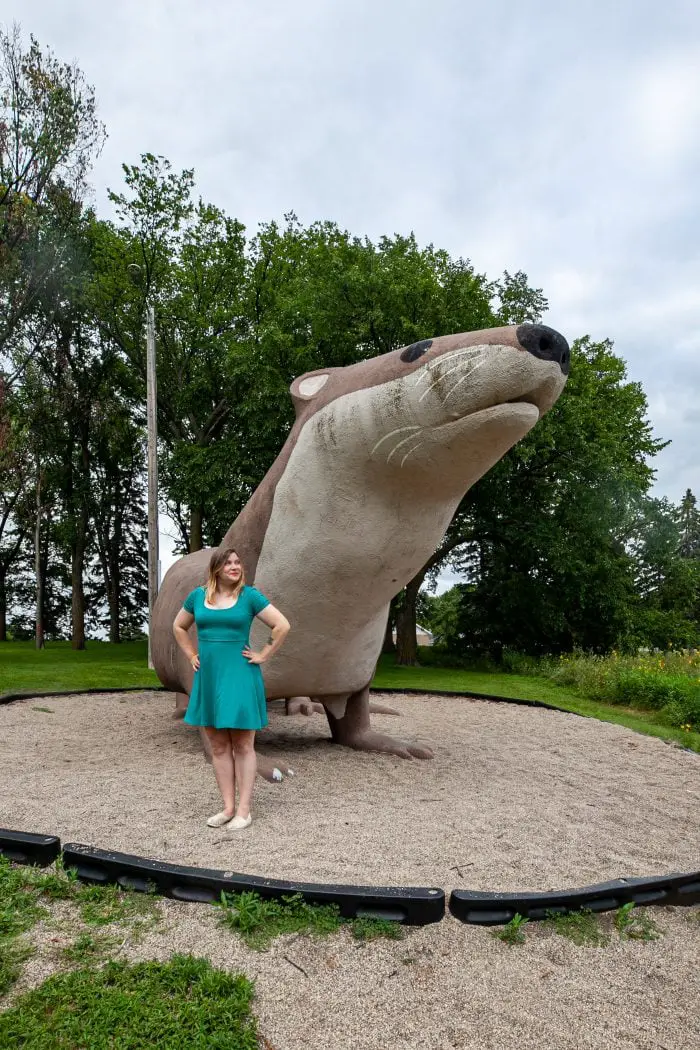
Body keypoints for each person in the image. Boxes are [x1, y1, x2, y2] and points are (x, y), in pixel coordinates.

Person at [173, 546, 290, 830]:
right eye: (228, 563)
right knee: (218, 744)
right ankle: (227, 808)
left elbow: (282, 625)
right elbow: (178, 627)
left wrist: (263, 654)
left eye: (238, 562)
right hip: (209, 676)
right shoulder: (198, 596)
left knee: (243, 743)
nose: (235, 567)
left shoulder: (249, 596)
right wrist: (191, 655)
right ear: (216, 568)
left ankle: (244, 811)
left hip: (240, 675)